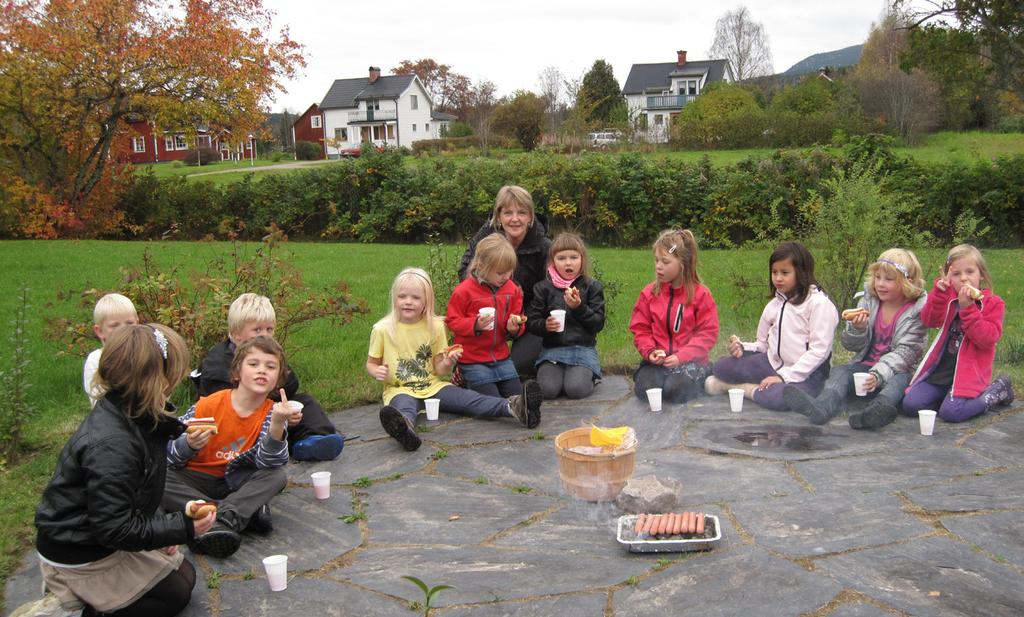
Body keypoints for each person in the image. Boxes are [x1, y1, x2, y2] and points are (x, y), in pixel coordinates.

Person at [35, 324, 212, 617]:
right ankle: (69, 603)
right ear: (158, 378)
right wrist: (180, 528)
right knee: (173, 596)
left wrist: (163, 532)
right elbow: (113, 527)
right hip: (80, 550)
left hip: (99, 534)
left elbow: (136, 492)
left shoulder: (135, 412)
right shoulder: (112, 446)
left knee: (185, 577)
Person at [367, 267, 542, 452]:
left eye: (415, 298)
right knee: (404, 407)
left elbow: (439, 370)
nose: (408, 302)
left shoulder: (435, 326)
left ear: (427, 300)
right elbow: (371, 363)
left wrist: (448, 362)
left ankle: (514, 407)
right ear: (394, 298)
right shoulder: (382, 329)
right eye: (402, 297)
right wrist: (376, 371)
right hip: (399, 389)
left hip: (433, 386)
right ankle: (405, 430)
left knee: (470, 399)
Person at [163, 336, 291, 559]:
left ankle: (214, 519)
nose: (262, 371)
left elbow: (268, 463)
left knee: (276, 476)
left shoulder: (274, 412)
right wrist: (188, 445)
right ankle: (235, 514)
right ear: (237, 372)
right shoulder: (209, 404)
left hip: (237, 480)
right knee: (155, 477)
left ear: (278, 379)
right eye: (253, 364)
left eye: (270, 367)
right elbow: (168, 454)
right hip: (197, 477)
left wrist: (278, 424)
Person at [784, 249, 928, 428]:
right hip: (865, 368)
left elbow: (905, 354)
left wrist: (878, 375)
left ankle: (877, 411)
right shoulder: (869, 301)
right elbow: (850, 345)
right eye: (878, 277)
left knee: (900, 382)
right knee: (840, 372)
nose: (880, 284)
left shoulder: (917, 311)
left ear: (908, 282)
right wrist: (858, 329)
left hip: (896, 371)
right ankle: (821, 407)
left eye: (889, 279)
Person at [193, 293, 343, 461]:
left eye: (269, 329)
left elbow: (290, 382)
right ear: (237, 334)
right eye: (257, 330)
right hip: (235, 425)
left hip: (265, 409)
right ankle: (290, 442)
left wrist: (284, 410)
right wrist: (275, 414)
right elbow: (233, 408)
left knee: (305, 402)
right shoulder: (218, 368)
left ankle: (313, 439)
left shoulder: (266, 352)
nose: (264, 335)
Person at [706, 241, 838, 411]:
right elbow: (762, 345)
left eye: (784, 272)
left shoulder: (819, 305)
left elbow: (819, 351)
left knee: (780, 398)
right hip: (772, 363)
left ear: (802, 272)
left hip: (807, 374)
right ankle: (758, 384)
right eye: (774, 272)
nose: (778, 278)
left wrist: (784, 377)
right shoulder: (774, 305)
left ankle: (740, 389)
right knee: (721, 367)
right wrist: (742, 347)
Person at [902, 244, 1013, 422]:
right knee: (910, 405)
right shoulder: (947, 297)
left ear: (981, 274)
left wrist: (968, 308)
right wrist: (939, 294)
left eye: (970, 272)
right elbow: (929, 320)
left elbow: (987, 339)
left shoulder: (993, 303)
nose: (964, 278)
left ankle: (997, 391)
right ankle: (948, 397)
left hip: (969, 376)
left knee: (951, 414)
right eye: (956, 274)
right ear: (948, 276)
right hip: (941, 372)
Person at [458, 185, 551, 375]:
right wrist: (491, 296)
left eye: (522, 213)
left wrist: (519, 317)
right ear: (498, 216)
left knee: (514, 366)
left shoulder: (544, 246)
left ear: (531, 216)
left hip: (528, 317)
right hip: (489, 312)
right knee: (474, 366)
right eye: (508, 213)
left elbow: (549, 292)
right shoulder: (486, 236)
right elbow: (465, 271)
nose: (515, 219)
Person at [629, 229, 719, 404]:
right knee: (646, 390)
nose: (658, 266)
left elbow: (708, 334)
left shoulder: (700, 295)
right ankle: (658, 376)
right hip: (658, 362)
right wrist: (650, 351)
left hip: (690, 362)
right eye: (656, 260)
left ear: (682, 264)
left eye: (665, 261)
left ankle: (705, 374)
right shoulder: (649, 293)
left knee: (675, 392)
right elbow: (640, 329)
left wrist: (682, 356)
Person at [526, 232, 606, 399]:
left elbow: (598, 324)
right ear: (552, 261)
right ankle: (559, 374)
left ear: (582, 260)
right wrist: (545, 325)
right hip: (552, 350)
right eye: (561, 258)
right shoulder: (543, 288)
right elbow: (532, 322)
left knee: (576, 390)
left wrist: (579, 308)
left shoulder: (592, 287)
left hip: (582, 348)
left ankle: (588, 376)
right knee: (547, 391)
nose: (568, 262)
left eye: (573, 257)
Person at [446, 234, 525, 397]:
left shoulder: (512, 290)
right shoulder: (464, 291)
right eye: (500, 273)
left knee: (516, 395)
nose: (506, 277)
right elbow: (452, 321)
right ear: (481, 266)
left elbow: (519, 318)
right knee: (491, 398)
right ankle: (461, 376)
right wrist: (474, 325)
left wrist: (514, 329)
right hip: (472, 358)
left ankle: (524, 402)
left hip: (501, 357)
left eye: (509, 272)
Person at [83, 293, 138, 407]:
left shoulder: (145, 353)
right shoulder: (96, 360)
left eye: (129, 323)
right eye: (114, 325)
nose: (124, 330)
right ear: (100, 331)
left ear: (138, 323)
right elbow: (99, 403)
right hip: (113, 420)